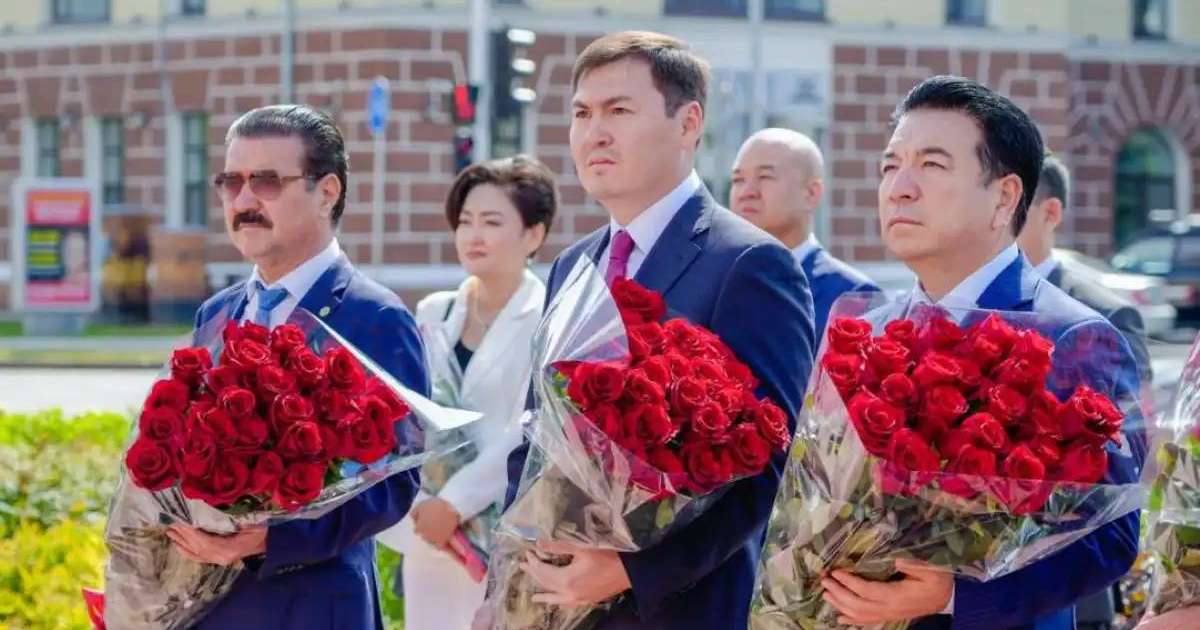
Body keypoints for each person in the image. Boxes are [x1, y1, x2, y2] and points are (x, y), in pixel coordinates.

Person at [502, 31, 816, 629]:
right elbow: (538, 428)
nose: (595, 132)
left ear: (687, 122)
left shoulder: (750, 263)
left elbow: (774, 469)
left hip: (684, 608)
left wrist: (631, 572)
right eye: (581, 113)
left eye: (619, 110)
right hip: (560, 598)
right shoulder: (574, 264)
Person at [818, 76, 1144, 630]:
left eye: (932, 165)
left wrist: (952, 597)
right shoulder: (865, 334)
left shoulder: (1071, 335)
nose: (899, 186)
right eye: (890, 165)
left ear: (1005, 197)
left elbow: (1110, 536)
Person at [168, 104, 428, 630]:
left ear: (326, 191)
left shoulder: (374, 316)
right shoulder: (217, 313)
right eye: (230, 182)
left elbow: (394, 484)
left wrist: (274, 539)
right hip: (208, 606)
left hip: (312, 603)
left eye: (265, 182)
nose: (243, 201)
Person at [376, 156, 556, 630]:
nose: (473, 234)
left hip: (503, 527)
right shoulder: (435, 311)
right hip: (429, 533)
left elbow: (529, 427)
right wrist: (425, 505)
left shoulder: (548, 319)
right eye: (465, 222)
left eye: (492, 222)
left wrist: (455, 502)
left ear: (533, 235)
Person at [730, 127, 879, 338]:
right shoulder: (715, 282)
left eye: (765, 176)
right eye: (738, 180)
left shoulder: (852, 296)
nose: (746, 192)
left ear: (811, 193)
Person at [1017, 154, 1153, 384]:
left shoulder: (1107, 316)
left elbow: (1134, 414)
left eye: (1011, 203)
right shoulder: (963, 303)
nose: (995, 218)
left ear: (1050, 213)